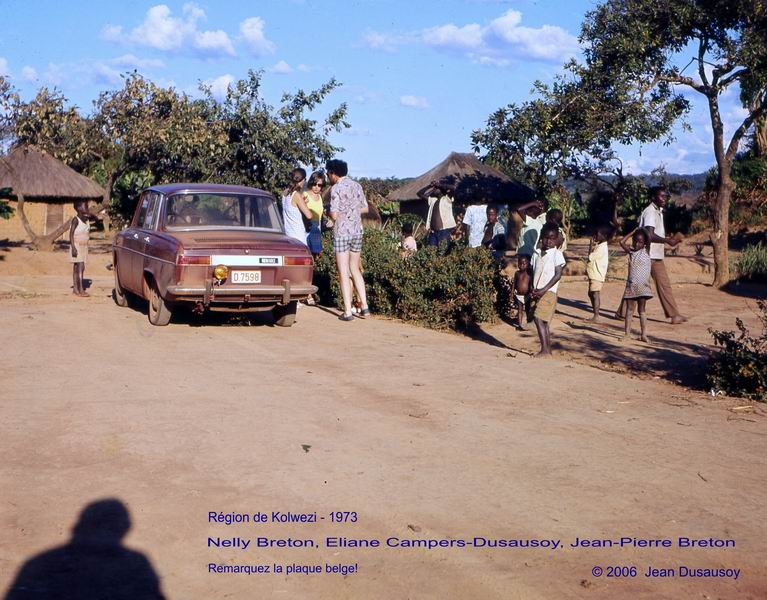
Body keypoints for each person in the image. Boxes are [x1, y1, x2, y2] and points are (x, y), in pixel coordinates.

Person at [616, 186, 687, 324]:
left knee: (661, 284)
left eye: (665, 196)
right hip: (647, 255)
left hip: (655, 255)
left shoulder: (657, 211)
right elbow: (649, 235)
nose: (664, 199)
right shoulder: (650, 212)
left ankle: (674, 315)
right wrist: (668, 241)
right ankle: (622, 313)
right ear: (653, 197)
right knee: (639, 284)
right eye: (661, 196)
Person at [327, 158, 370, 321]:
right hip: (357, 231)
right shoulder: (357, 185)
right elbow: (365, 208)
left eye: (328, 173)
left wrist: (336, 213)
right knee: (355, 269)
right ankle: (364, 306)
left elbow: (334, 215)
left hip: (342, 233)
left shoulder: (336, 189)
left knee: (343, 271)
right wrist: (352, 210)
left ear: (333, 173)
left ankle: (347, 311)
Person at [530, 224, 566, 357]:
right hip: (537, 291)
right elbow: (533, 272)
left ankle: (545, 350)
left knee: (538, 318)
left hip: (549, 292)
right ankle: (547, 349)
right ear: (541, 237)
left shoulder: (557, 254)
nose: (549, 241)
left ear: (556, 239)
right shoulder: (536, 253)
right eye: (546, 238)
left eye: (552, 238)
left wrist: (544, 289)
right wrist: (533, 288)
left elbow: (558, 274)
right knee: (543, 321)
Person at [619, 228, 653, 342]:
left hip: (643, 287)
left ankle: (643, 335)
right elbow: (621, 242)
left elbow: (649, 237)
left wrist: (642, 229)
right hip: (632, 286)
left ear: (645, 243)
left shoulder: (646, 251)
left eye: (640, 242)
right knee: (629, 310)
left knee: (642, 311)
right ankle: (627, 334)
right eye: (635, 241)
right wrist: (632, 232)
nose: (637, 244)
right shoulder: (631, 252)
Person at [69, 201, 99, 297]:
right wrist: (73, 247)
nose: (87, 208)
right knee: (80, 266)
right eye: (85, 206)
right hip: (76, 245)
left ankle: (75, 289)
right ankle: (81, 289)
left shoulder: (86, 219)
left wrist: (89, 213)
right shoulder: (75, 220)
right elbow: (71, 234)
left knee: (77, 267)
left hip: (84, 246)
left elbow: (97, 219)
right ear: (78, 208)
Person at [419, 178, 456, 248]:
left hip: (444, 232)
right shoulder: (433, 200)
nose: (435, 189)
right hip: (433, 232)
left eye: (437, 188)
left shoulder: (447, 199)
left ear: (441, 190)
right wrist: (429, 186)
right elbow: (419, 194)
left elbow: (454, 188)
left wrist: (439, 185)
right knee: (431, 252)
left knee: (443, 251)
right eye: (435, 188)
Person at [586, 225, 612, 322]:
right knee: (591, 293)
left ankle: (596, 315)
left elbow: (590, 257)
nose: (595, 236)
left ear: (604, 236)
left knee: (595, 294)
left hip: (597, 275)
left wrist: (590, 245)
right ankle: (595, 313)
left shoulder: (602, 248)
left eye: (597, 234)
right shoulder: (600, 246)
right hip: (594, 274)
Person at [282, 168, 314, 246]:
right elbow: (309, 215)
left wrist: (302, 202)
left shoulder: (285, 193)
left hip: (288, 233)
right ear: (301, 180)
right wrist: (305, 204)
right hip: (298, 235)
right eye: (305, 179)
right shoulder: (297, 195)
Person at [303, 171, 326, 257]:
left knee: (316, 254)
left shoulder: (320, 197)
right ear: (311, 183)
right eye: (314, 184)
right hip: (308, 227)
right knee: (308, 254)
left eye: (319, 185)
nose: (316, 187)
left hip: (317, 228)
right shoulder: (305, 195)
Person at [510, 253, 532, 329]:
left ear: (528, 264)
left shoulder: (529, 273)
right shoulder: (517, 273)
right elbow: (514, 284)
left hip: (527, 295)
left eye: (524, 264)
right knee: (520, 310)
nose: (522, 265)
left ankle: (529, 324)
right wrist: (512, 293)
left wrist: (532, 292)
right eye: (520, 263)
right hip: (519, 296)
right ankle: (520, 325)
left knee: (528, 310)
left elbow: (531, 284)